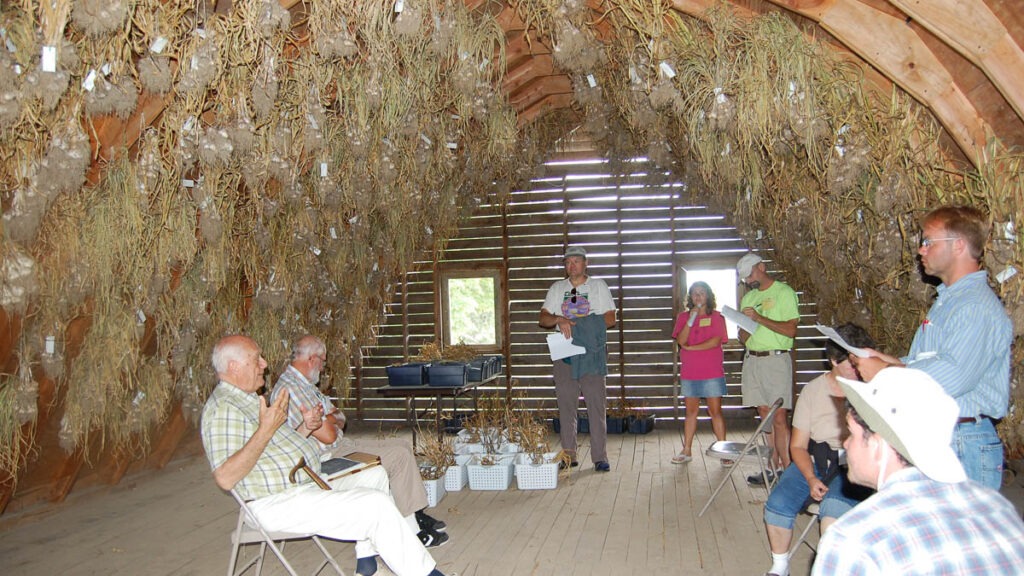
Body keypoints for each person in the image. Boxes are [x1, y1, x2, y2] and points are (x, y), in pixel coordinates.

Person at [200, 335, 446, 576]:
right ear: (234, 366)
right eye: (256, 359)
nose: (264, 364)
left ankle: (367, 566)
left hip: (305, 480)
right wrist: (266, 428)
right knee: (375, 505)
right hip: (275, 500)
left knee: (375, 475)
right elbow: (225, 477)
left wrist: (305, 427)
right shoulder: (225, 408)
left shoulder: (248, 400)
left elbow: (273, 446)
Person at [853, 205, 1012, 490]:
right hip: (947, 435)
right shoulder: (950, 301)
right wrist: (896, 363)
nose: (921, 251)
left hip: (962, 439)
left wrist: (888, 373)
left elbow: (953, 378)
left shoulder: (975, 305)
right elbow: (935, 361)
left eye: (928, 242)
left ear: (959, 245)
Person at [811, 367, 1024, 575]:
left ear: (878, 445)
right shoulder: (997, 508)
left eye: (851, 434)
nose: (846, 444)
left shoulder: (854, 540)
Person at [271, 335, 448, 547]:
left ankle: (413, 512)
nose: (323, 366)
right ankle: (412, 530)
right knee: (398, 457)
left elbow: (340, 418)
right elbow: (328, 434)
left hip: (340, 446)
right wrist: (332, 420)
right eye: (323, 361)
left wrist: (331, 419)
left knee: (401, 445)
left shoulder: (305, 384)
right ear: (312, 359)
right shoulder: (291, 389)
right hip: (324, 458)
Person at [760, 323, 875, 576]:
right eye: (852, 362)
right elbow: (798, 446)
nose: (858, 368)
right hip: (816, 460)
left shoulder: (872, 389)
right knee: (777, 505)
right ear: (834, 360)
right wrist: (811, 477)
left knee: (832, 509)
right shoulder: (813, 390)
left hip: (853, 464)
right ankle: (780, 566)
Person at [539, 245, 617, 472]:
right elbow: (543, 318)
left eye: (576, 261)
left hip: (592, 351)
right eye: (568, 262)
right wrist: (558, 319)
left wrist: (581, 325)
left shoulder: (598, 286)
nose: (572, 266)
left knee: (596, 404)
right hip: (565, 351)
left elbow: (610, 318)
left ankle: (600, 457)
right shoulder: (557, 288)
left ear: (585, 264)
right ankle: (568, 455)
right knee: (566, 404)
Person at [736, 251, 800, 483]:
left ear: (761, 267)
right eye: (745, 278)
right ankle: (772, 467)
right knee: (764, 415)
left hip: (776, 359)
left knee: (780, 416)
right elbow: (743, 335)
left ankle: (789, 469)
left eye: (750, 274)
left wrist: (760, 319)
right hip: (752, 359)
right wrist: (743, 327)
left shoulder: (784, 292)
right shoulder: (748, 299)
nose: (749, 280)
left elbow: (791, 330)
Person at [670, 281, 728, 464]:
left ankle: (724, 451)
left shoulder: (718, 317)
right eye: (694, 293)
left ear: (708, 296)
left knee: (715, 411)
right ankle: (686, 450)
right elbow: (681, 341)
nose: (698, 296)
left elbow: (715, 341)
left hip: (712, 372)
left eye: (701, 293)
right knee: (690, 412)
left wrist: (692, 349)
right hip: (690, 373)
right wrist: (690, 319)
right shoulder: (683, 317)